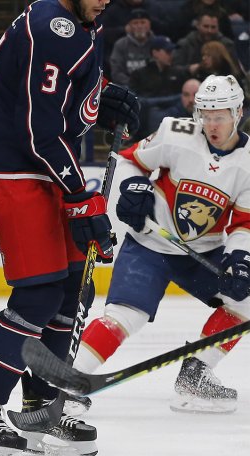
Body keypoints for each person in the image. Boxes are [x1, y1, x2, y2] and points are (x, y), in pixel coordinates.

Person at [0, 0, 140, 456]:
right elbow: (38, 129)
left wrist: (100, 96)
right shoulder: (53, 28)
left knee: (72, 292)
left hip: (47, 165)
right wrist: (81, 194)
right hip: (15, 168)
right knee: (38, 294)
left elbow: (60, 100)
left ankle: (38, 408)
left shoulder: (84, 24)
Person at [73, 75, 249, 415]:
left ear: (238, 112)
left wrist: (240, 257)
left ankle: (196, 374)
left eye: (220, 115)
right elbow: (128, 160)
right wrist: (133, 188)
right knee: (126, 316)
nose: (212, 124)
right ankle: (69, 381)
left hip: (202, 252)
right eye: (206, 114)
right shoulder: (176, 133)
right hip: (149, 243)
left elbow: (244, 222)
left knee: (245, 302)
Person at [108, 9, 154, 86]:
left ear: (149, 24)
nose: (139, 26)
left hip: (154, 87)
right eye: (135, 23)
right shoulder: (120, 44)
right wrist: (134, 84)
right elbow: (116, 73)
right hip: (129, 87)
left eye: (143, 22)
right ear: (128, 26)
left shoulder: (157, 43)